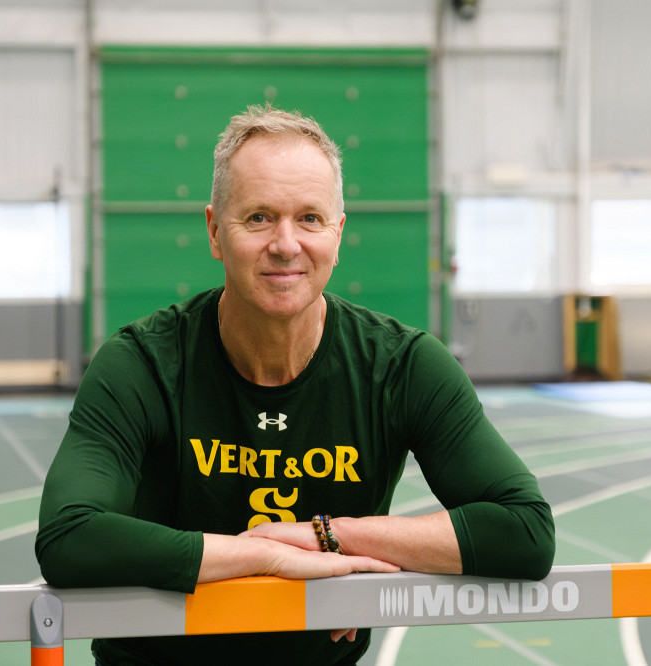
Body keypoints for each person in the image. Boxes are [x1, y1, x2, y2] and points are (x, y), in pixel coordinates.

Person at [36, 104, 555, 665]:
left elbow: (524, 532)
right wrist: (266, 558)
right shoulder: (142, 364)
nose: (286, 244)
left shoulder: (402, 367)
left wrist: (328, 536)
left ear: (338, 232)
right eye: (258, 218)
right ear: (214, 231)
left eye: (310, 218)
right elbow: (70, 538)